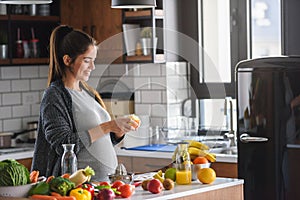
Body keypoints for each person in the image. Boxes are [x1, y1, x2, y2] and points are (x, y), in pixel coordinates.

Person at [31, 25, 138, 181]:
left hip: (103, 185)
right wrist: (108, 126)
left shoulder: (88, 93)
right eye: (87, 61)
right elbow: (64, 144)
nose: (92, 67)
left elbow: (97, 140)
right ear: (67, 60)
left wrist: (117, 131)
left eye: (93, 61)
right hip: (75, 189)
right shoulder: (54, 96)